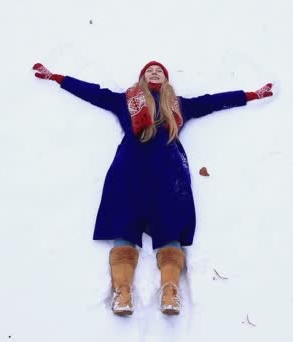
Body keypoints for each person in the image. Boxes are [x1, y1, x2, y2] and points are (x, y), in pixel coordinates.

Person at [32, 61, 273, 316]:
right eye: (150, 70)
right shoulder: (127, 100)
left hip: (168, 172)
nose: (155, 72)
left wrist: (250, 95)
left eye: (159, 71)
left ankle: (170, 291)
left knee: (170, 226)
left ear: (166, 79)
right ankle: (122, 292)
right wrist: (57, 77)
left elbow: (211, 101)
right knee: (124, 224)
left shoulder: (178, 104)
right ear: (142, 77)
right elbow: (94, 93)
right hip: (130, 169)